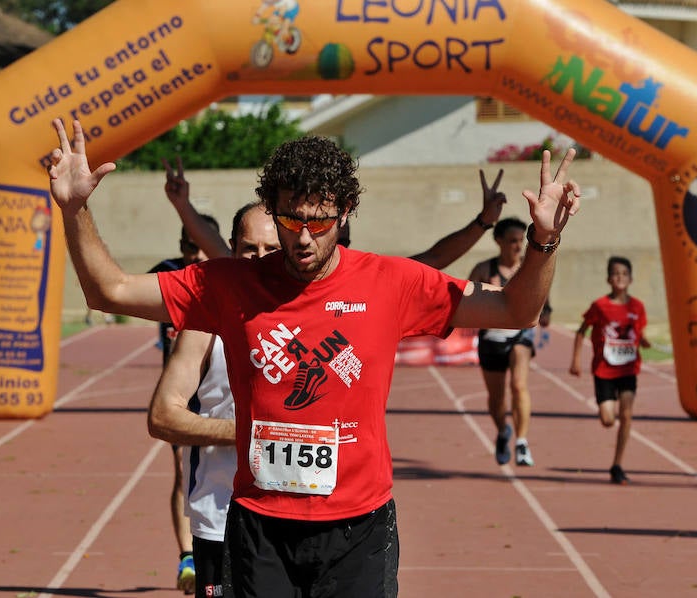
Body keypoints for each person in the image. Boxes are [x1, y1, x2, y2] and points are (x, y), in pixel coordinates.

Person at [47, 118, 580, 597]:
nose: (302, 238)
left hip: (359, 527)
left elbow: (515, 309)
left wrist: (544, 241)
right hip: (259, 525)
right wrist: (74, 208)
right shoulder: (230, 284)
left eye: (319, 223)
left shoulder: (391, 281)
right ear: (273, 212)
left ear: (345, 212)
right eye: (289, 220)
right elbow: (108, 291)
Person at [149, 200, 281, 598]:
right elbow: (162, 418)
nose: (260, 260)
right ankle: (186, 556)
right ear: (231, 250)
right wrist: (247, 434)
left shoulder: (316, 313)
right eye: (249, 250)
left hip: (301, 521)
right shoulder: (205, 319)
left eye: (272, 250)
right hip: (222, 518)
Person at [146, 196, 221, 594]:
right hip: (180, 392)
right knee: (182, 472)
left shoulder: (226, 280)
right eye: (188, 245)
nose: (194, 254)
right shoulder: (169, 274)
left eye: (200, 245)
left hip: (220, 392)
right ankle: (188, 556)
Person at [468, 217, 552, 467]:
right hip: (491, 338)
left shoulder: (529, 269)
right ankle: (503, 430)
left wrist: (545, 312)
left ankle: (522, 441)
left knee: (518, 385)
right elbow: (466, 300)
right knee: (496, 398)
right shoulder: (484, 270)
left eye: (520, 241)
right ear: (499, 242)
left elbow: (543, 298)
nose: (517, 246)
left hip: (519, 335)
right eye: (513, 241)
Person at [569, 256, 649, 485]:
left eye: (624, 274)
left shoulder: (637, 307)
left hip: (628, 369)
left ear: (631, 279)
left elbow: (638, 333)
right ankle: (608, 418)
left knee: (626, 415)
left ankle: (617, 465)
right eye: (615, 274)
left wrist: (643, 342)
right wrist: (576, 360)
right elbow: (581, 331)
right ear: (608, 279)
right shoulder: (600, 306)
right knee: (607, 420)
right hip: (604, 370)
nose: (620, 277)